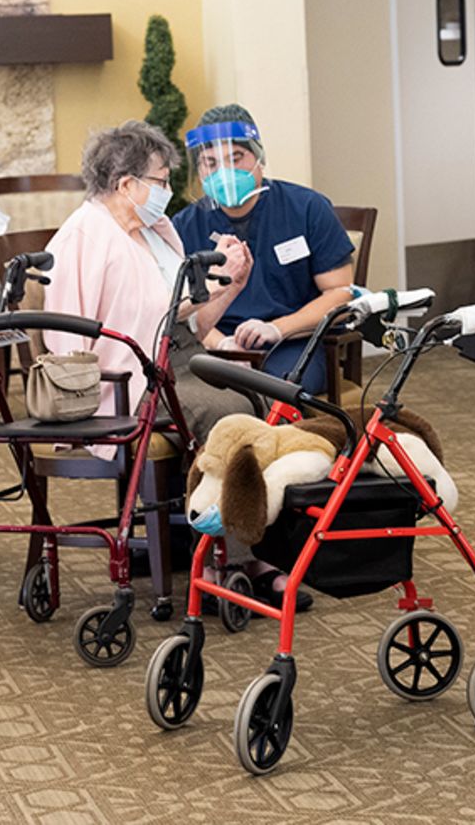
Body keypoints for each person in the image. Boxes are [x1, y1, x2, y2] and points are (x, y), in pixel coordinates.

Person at [42, 120, 312, 613]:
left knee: (268, 398)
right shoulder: (83, 238)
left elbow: (188, 316)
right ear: (127, 184)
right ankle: (224, 560)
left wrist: (229, 283)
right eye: (161, 180)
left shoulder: (157, 232)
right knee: (226, 413)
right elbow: (65, 339)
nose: (168, 192)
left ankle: (250, 551)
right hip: (128, 378)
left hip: (180, 357)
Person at [172, 104, 357, 389]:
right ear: (198, 170)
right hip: (215, 344)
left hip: (292, 342)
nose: (225, 171)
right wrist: (224, 344)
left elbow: (339, 293)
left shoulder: (306, 208)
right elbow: (180, 310)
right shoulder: (184, 226)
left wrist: (276, 329)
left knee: (276, 390)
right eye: (210, 163)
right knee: (190, 398)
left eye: (236, 158)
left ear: (259, 157)